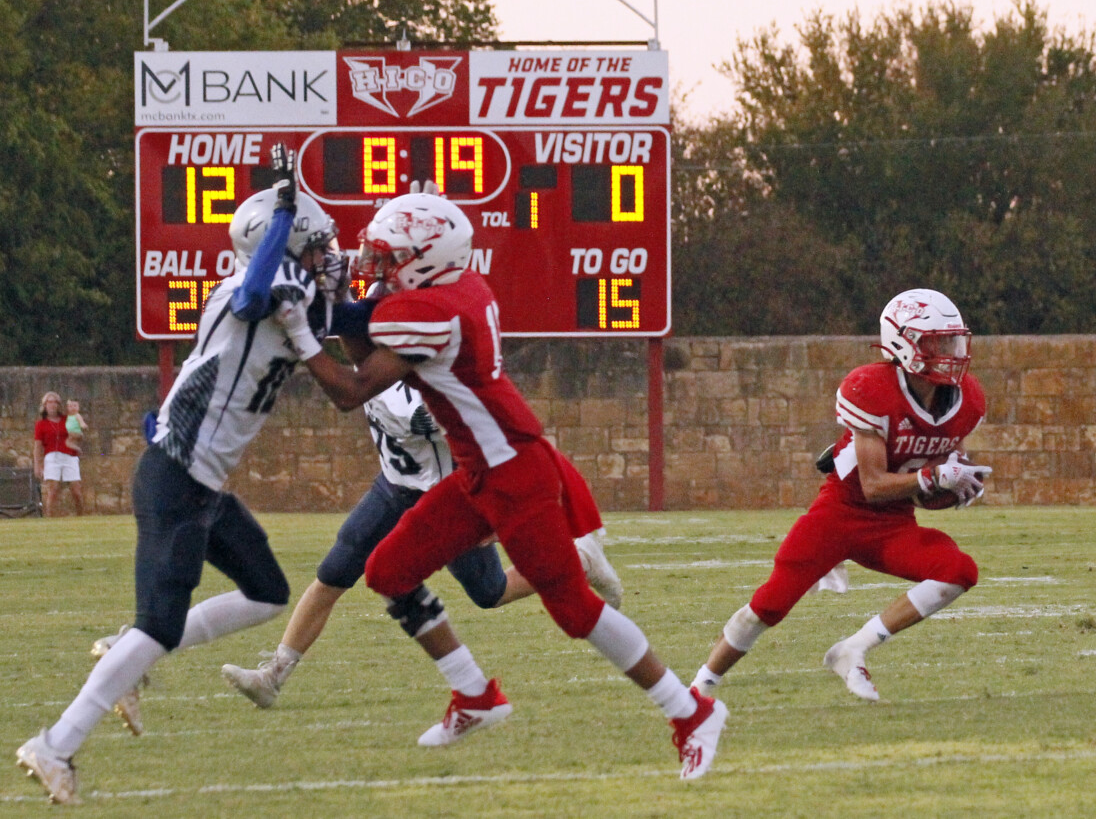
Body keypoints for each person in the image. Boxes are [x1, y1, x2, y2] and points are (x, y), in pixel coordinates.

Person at [293, 191, 727, 778]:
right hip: (479, 472)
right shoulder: (459, 289)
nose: (378, 267)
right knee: (389, 571)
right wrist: (324, 304)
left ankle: (690, 711)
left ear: (424, 260)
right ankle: (474, 695)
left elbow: (351, 389)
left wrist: (297, 323)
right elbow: (361, 327)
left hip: (514, 476)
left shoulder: (432, 313)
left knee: (575, 610)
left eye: (389, 257)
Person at [16, 149, 333, 804]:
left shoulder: (292, 294)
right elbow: (255, 292)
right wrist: (281, 213)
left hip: (203, 485)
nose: (324, 255)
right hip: (176, 481)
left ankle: (126, 649)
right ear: (281, 244)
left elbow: (335, 312)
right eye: (314, 244)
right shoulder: (252, 291)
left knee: (269, 591)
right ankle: (55, 744)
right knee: (157, 624)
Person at [220, 376, 625, 708]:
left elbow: (453, 418)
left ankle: (579, 560)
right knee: (332, 575)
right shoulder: (381, 375)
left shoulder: (415, 387)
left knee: (489, 591)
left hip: (448, 496)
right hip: (394, 488)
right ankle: (273, 676)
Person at [691, 289, 991, 703]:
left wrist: (950, 488)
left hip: (892, 524)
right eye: (936, 342)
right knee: (769, 606)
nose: (949, 351)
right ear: (903, 342)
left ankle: (853, 649)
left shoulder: (966, 401)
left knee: (958, 570)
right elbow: (874, 485)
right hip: (839, 515)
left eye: (952, 340)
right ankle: (701, 684)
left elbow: (918, 488)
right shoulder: (871, 387)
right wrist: (935, 475)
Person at [32, 392, 84, 518]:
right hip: (52, 457)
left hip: (69, 456)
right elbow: (38, 446)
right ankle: (50, 518)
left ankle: (81, 517)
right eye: (49, 402)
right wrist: (38, 465)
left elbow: (79, 435)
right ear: (44, 405)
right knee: (53, 490)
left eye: (55, 402)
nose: (52, 405)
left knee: (76, 490)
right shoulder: (41, 424)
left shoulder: (67, 420)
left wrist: (74, 438)